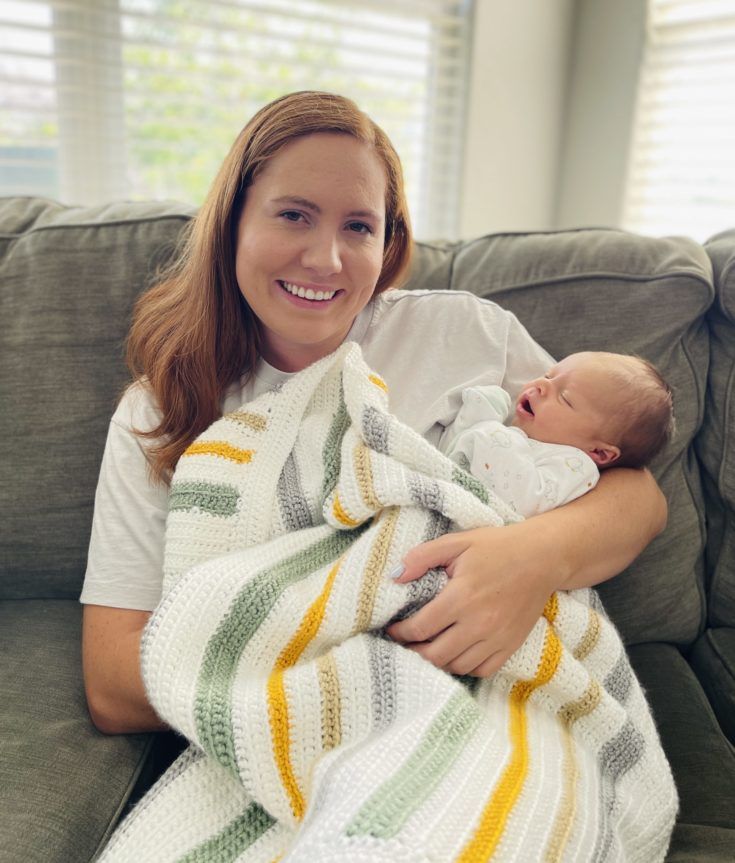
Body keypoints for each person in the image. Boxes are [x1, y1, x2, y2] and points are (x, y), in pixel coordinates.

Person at [80, 91, 667, 734]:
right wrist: (354, 670)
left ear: (388, 243)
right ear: (233, 222)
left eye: (358, 226)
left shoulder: (464, 332)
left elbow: (634, 493)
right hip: (311, 714)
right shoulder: (161, 408)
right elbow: (113, 685)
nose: (325, 259)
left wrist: (533, 557)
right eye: (294, 215)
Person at [439, 351, 674, 517]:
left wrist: (487, 426)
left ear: (600, 452)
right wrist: (477, 414)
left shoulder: (574, 468)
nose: (541, 384)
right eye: (549, 375)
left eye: (565, 397)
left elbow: (522, 499)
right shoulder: (520, 436)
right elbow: (449, 457)